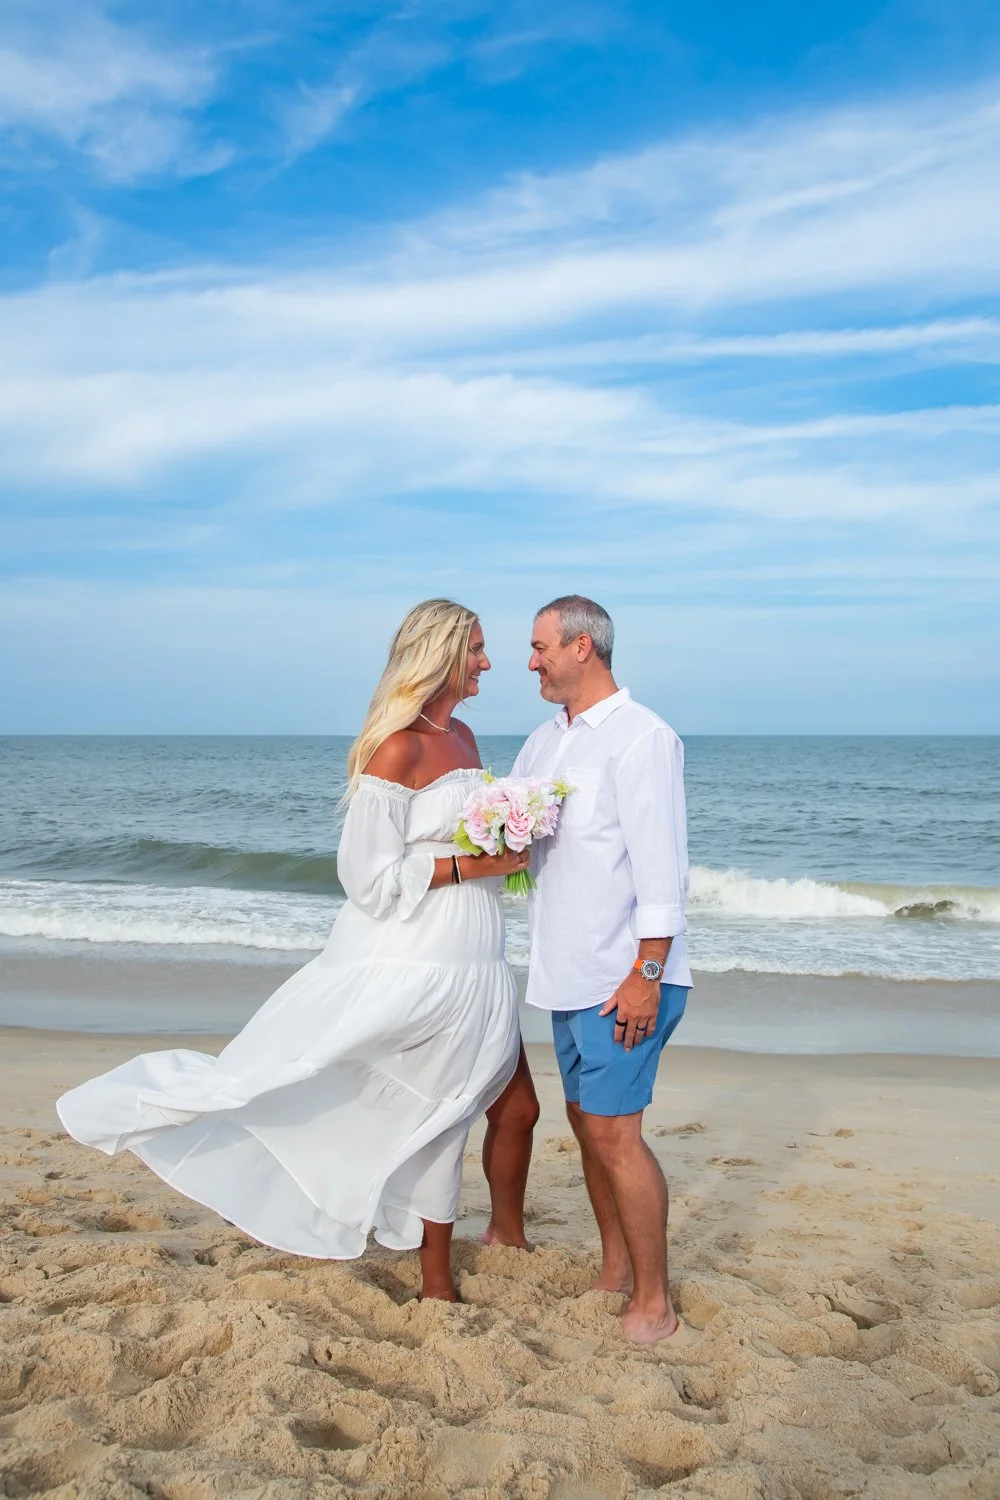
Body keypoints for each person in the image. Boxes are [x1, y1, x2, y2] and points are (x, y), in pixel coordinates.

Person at [57, 599, 538, 1303]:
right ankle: (436, 1279)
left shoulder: (464, 737)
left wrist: (506, 851)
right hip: (417, 961)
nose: (487, 662)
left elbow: (461, 836)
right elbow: (366, 879)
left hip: (478, 958)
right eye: (476, 649)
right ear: (438, 656)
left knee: (482, 1105)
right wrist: (470, 866)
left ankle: (476, 1246)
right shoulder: (395, 747)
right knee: (434, 1107)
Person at [510, 594, 692, 1344]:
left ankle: (655, 1301)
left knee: (618, 1135)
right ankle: (615, 1268)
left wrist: (645, 976)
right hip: (565, 972)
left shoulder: (642, 739)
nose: (532, 662)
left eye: (541, 646)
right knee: (588, 1129)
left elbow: (662, 870)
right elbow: (524, 848)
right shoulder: (543, 743)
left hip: (626, 978)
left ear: (584, 647)